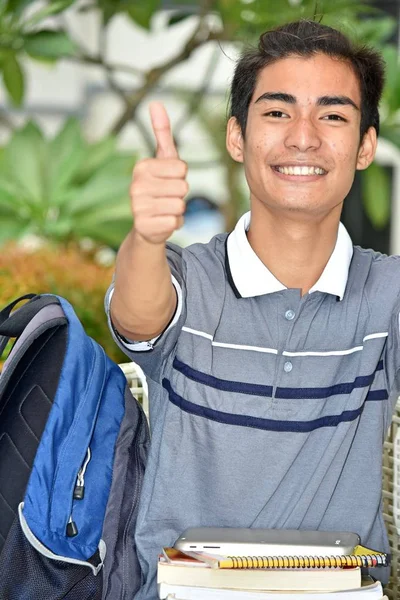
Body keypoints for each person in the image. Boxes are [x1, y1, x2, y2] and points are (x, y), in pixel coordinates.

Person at [106, 19, 396, 599]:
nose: (304, 137)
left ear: (365, 147)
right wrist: (146, 237)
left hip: (338, 591)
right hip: (186, 590)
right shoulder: (190, 279)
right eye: (278, 112)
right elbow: (138, 316)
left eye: (333, 115)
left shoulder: (387, 292)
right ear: (237, 137)